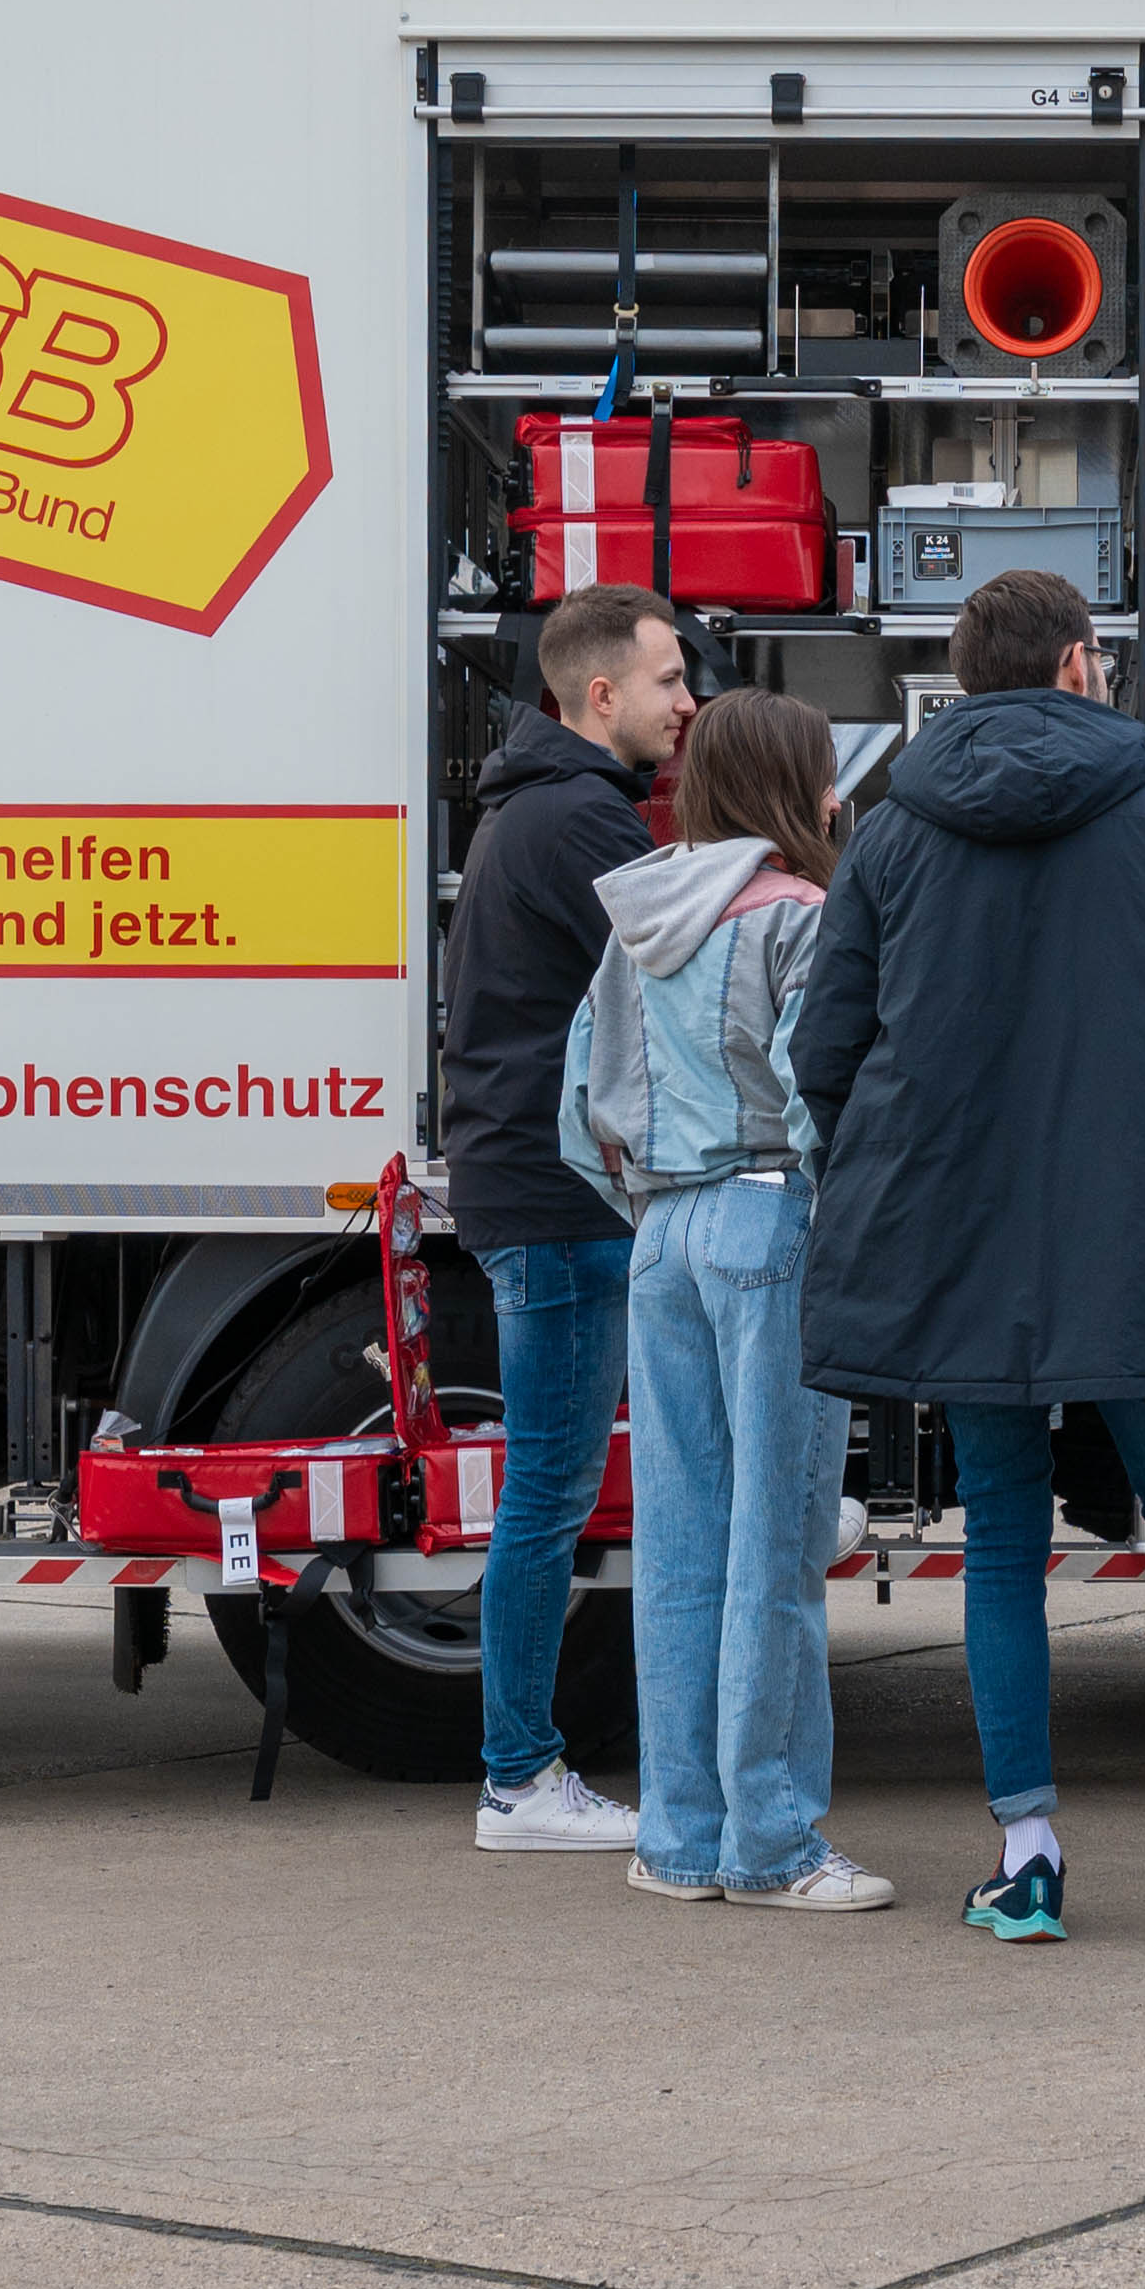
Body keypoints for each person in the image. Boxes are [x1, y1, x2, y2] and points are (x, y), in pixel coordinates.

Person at [791, 566, 1145, 1946]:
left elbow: (826, 1051)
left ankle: (1026, 1857)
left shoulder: (888, 831)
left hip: (960, 1231)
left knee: (999, 1534)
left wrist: (907, 1176)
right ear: (1076, 666)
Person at [563, 688, 887, 1913]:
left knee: (683, 1543)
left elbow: (575, 1106)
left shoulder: (638, 915)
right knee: (779, 1546)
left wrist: (653, 1202)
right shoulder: (802, 915)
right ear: (796, 790)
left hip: (662, 1229)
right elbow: (823, 1091)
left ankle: (682, 1836)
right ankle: (775, 1841)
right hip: (768, 1218)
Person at [439, 579, 692, 1856]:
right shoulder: (578, 825)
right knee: (547, 1489)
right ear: (600, 695)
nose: (685, 700)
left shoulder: (540, 811)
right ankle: (519, 1777)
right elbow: (695, 956)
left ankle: (520, 1771)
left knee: (555, 1482)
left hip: (539, 1192)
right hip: (557, 1200)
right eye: (667, 680)